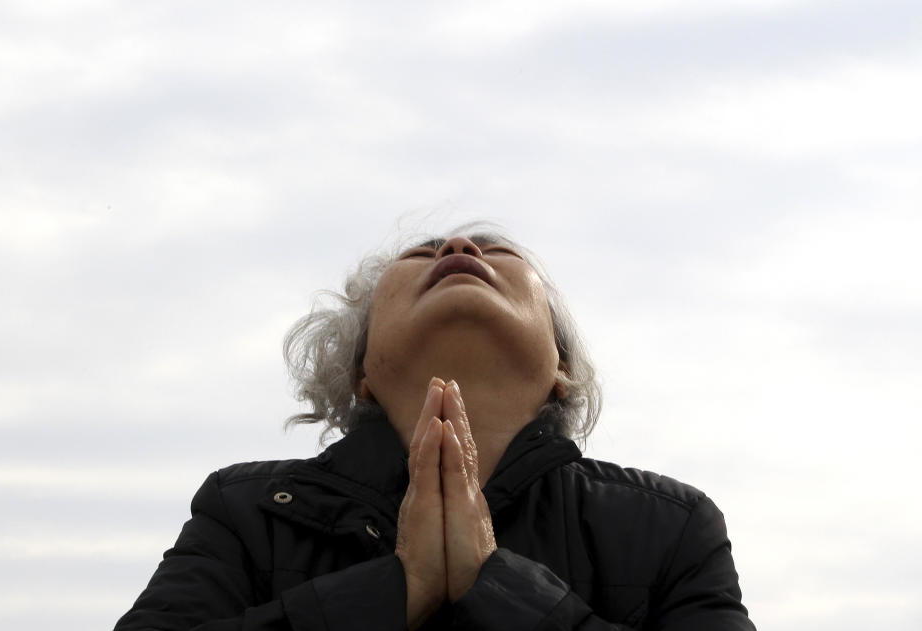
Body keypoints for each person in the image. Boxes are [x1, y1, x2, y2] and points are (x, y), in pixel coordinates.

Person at [115, 222, 756, 630]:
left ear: (560, 365)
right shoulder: (249, 510)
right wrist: (397, 587)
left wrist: (503, 592)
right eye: (422, 253)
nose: (458, 248)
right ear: (362, 371)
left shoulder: (669, 525)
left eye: (496, 249)